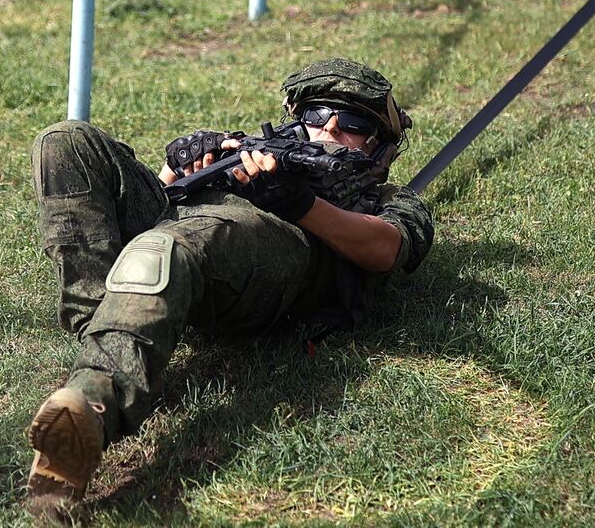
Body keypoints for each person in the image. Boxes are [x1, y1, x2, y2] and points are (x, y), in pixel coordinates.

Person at [24, 58, 434, 511]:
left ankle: (91, 406)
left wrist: (301, 204)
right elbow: (168, 205)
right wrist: (177, 170)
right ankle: (105, 327)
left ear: (381, 147)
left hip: (261, 250)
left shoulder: (388, 198)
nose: (330, 126)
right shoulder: (255, 150)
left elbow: (388, 248)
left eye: (352, 122)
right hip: (182, 231)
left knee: (160, 252)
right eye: (317, 114)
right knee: (65, 140)